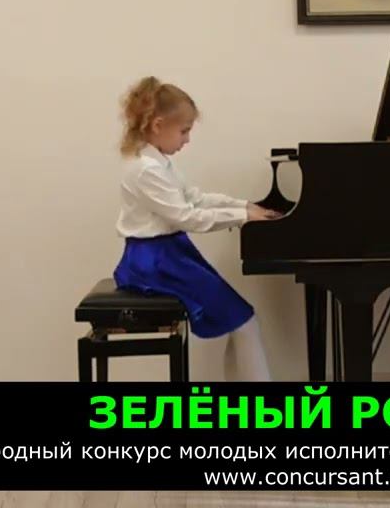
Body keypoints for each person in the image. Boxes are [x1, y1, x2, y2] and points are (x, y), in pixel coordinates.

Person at [113, 76, 281, 381]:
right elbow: (188, 217)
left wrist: (245, 205)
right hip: (154, 263)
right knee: (243, 321)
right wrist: (242, 217)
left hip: (170, 254)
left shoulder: (159, 162)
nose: (187, 139)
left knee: (241, 321)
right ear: (158, 125)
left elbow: (195, 198)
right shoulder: (145, 170)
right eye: (184, 130)